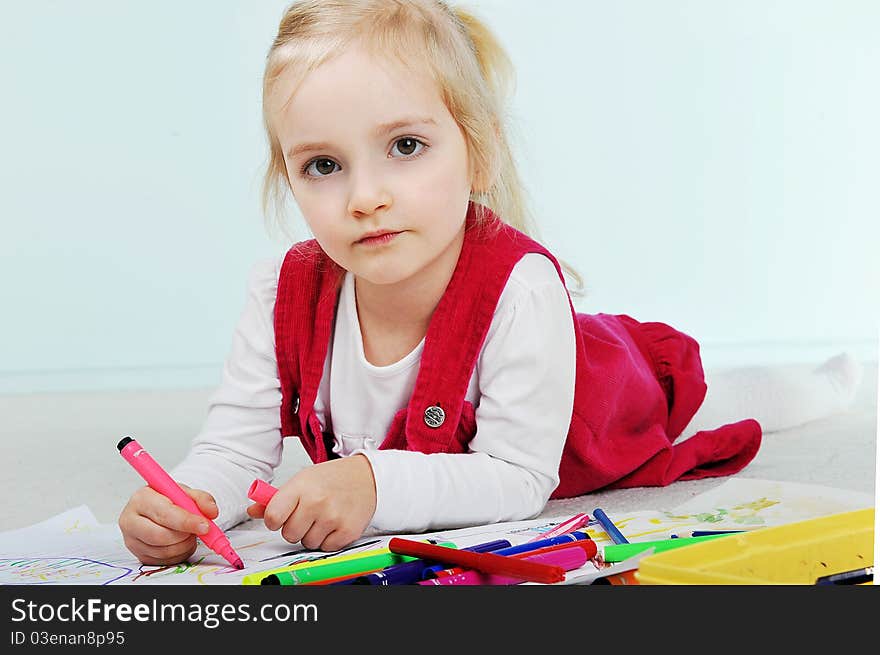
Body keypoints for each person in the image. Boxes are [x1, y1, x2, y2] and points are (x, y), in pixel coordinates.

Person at [117, 0, 862, 567]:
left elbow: (517, 479)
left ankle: (816, 385)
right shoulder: (281, 290)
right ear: (288, 174)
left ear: (478, 153)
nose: (364, 195)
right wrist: (184, 498)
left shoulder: (522, 288)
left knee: (697, 396)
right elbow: (234, 445)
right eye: (323, 165)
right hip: (536, 368)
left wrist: (373, 483)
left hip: (603, 392)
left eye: (405, 146)